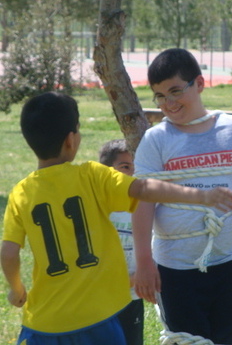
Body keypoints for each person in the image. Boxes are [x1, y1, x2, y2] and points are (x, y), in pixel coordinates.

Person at [0, 91, 232, 345]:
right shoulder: (91, 175)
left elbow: (9, 253)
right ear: (71, 139)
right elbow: (144, 189)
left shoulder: (20, 193)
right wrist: (201, 197)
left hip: (44, 324)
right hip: (98, 318)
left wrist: (16, 288)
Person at [133, 48, 232, 345]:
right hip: (176, 267)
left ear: (199, 83)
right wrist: (144, 261)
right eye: (159, 96)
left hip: (227, 260)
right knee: (187, 340)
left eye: (175, 91)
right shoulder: (157, 139)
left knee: (226, 337)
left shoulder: (231, 128)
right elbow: (143, 201)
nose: (168, 104)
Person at [99, 139, 144, 345]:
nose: (132, 174)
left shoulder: (142, 208)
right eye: (125, 167)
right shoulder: (97, 209)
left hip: (132, 297)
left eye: (136, 168)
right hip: (100, 299)